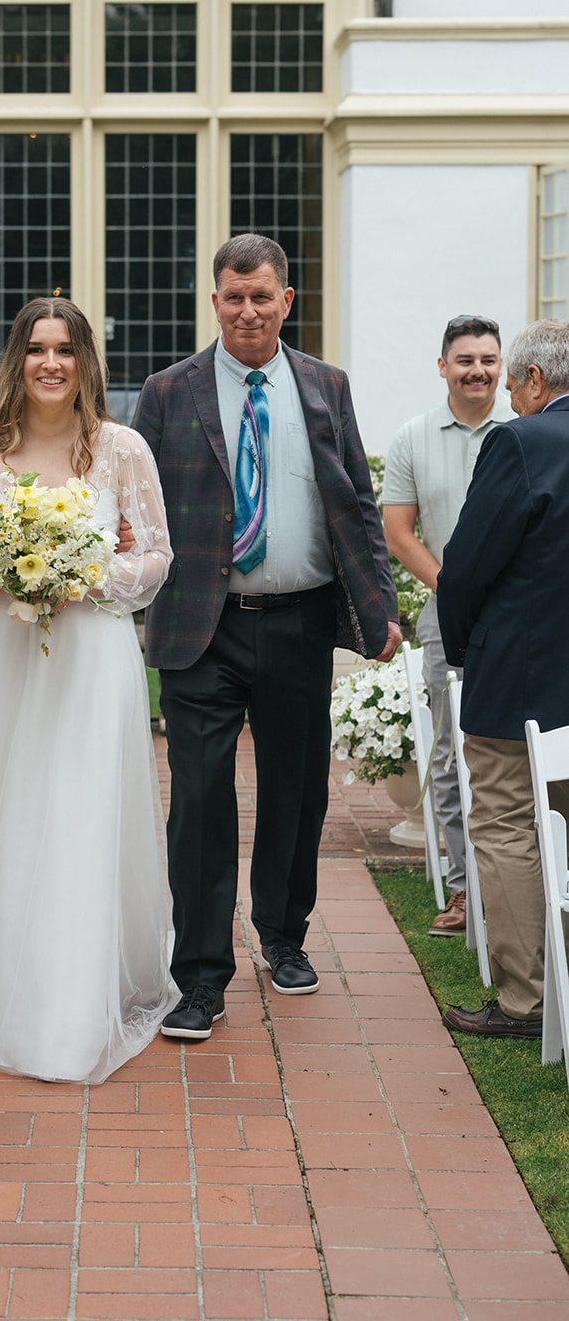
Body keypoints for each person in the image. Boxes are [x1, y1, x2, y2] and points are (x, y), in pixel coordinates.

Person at [134, 234, 400, 1039]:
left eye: (261, 296)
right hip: (199, 629)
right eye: (231, 296)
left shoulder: (325, 386)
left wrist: (379, 604)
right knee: (202, 801)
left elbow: (354, 498)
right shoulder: (167, 392)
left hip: (298, 623)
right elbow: (136, 506)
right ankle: (201, 976)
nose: (246, 310)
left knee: (294, 791)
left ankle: (283, 937)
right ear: (213, 301)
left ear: (286, 300)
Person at [0, 296, 174, 1085]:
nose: (51, 363)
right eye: (36, 349)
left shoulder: (122, 449)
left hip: (90, 654)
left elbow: (156, 556)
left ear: (86, 360)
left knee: (74, 810)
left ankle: (68, 990)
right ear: (16, 360)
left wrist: (84, 574)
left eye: (65, 349)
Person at [438, 319, 569, 1039]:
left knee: (508, 826)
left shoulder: (519, 441)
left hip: (520, 677)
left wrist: (464, 649)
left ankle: (527, 999)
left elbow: (463, 569)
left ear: (532, 381)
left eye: (512, 383)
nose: (509, 397)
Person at [383, 316, 513, 936]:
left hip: (521, 617)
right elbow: (399, 532)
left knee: (515, 747)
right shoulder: (412, 436)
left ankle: (518, 882)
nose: (478, 371)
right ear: (443, 367)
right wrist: (452, 590)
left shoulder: (524, 433)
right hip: (445, 615)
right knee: (449, 752)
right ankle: (465, 892)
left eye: (489, 359)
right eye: (465, 360)